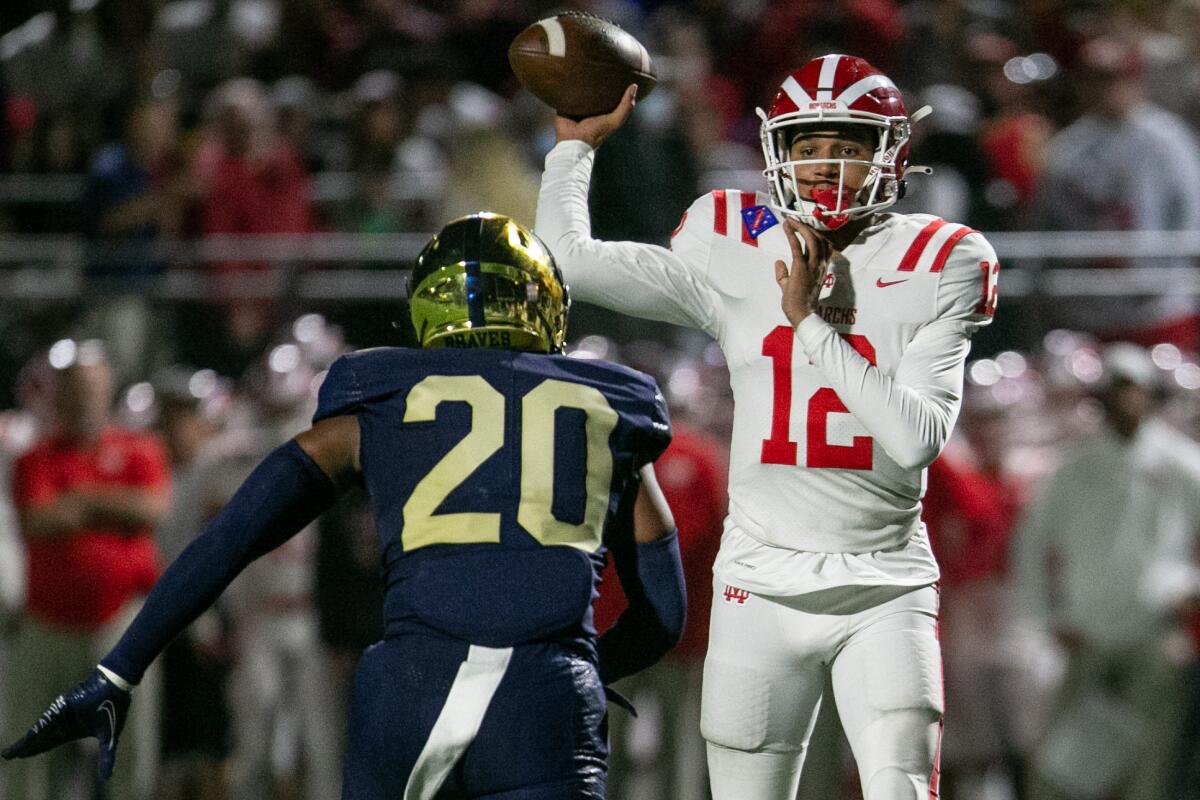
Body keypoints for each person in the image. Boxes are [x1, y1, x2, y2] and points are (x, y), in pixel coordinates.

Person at [1, 213, 687, 800]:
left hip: (414, 691)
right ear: (546, 304)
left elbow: (232, 535)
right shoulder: (608, 411)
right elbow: (663, 613)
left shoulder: (376, 403)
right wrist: (587, 668)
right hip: (548, 701)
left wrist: (120, 666)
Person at [535, 53, 999, 800]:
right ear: (775, 152)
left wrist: (812, 327)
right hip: (759, 581)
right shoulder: (737, 239)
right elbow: (568, 264)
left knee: (901, 789)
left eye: (846, 146)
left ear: (890, 151)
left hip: (883, 583)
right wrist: (574, 147)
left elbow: (916, 438)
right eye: (807, 146)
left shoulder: (942, 256)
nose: (825, 167)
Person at [1014, 342, 1200, 800]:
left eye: (1133, 389)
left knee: (1148, 769)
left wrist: (1187, 596)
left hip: (1153, 635)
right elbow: (1032, 545)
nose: (1125, 400)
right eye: (1116, 390)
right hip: (1088, 636)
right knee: (1065, 771)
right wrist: (1048, 618)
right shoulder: (1074, 469)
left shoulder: (1181, 464)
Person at [2, 340, 171, 800]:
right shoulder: (35, 457)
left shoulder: (139, 449)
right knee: (33, 751)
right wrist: (112, 507)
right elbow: (38, 520)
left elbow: (151, 508)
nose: (82, 399)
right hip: (47, 624)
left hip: (120, 623)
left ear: (108, 390)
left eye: (91, 388)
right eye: (73, 389)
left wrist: (79, 501)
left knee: (127, 755)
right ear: (57, 395)